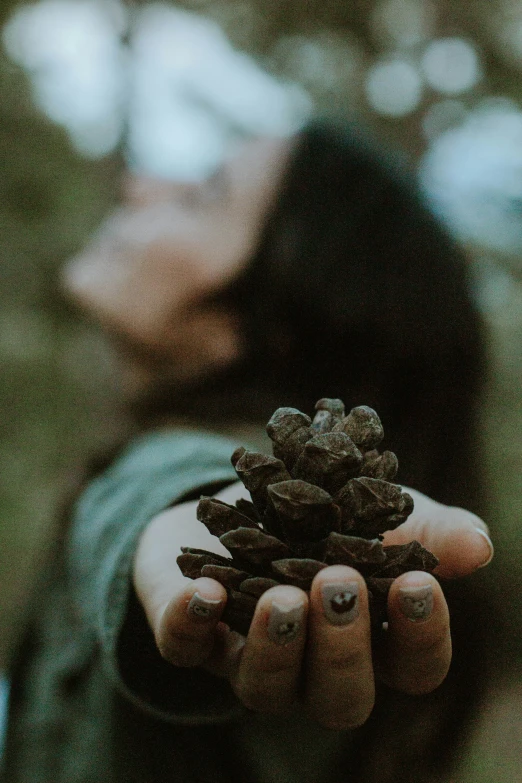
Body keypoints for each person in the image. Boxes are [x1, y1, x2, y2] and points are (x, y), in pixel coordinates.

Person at [1, 121, 495, 783]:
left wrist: (199, 518)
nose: (138, 184)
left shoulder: (183, 464)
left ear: (264, 324)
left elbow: (173, 480)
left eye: (203, 195)